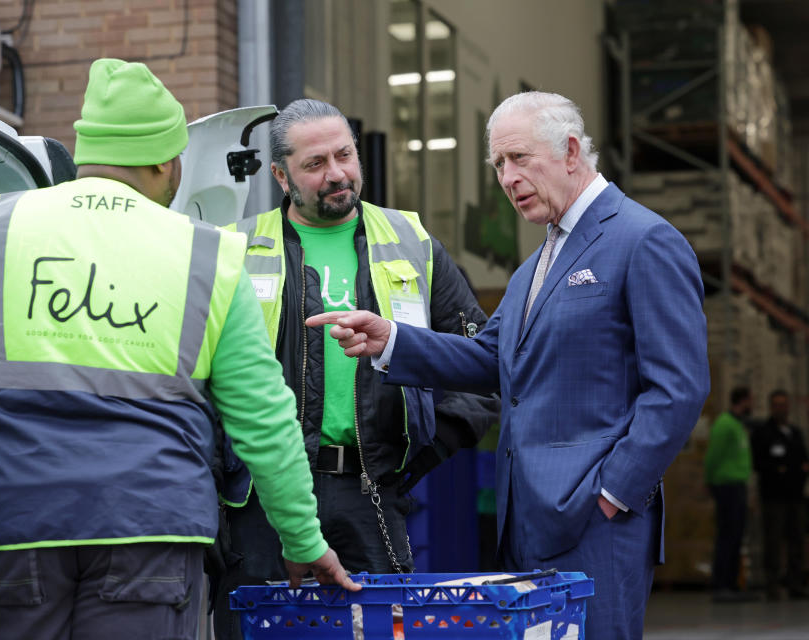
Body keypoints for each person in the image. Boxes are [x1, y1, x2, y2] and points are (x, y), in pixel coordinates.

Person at [0, 59, 357, 640]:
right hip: (153, 539)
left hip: (19, 533)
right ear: (163, 161)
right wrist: (302, 540)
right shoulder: (208, 257)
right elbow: (265, 421)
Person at [308, 91, 709, 640]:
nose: (507, 176)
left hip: (595, 521)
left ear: (571, 152)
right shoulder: (535, 265)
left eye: (519, 158)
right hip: (525, 521)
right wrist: (391, 340)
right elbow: (489, 358)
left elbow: (679, 390)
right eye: (498, 164)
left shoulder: (644, 241)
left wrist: (613, 495)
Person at [212, 98, 495, 639]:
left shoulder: (412, 243)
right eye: (315, 163)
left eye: (344, 155)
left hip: (371, 492)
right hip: (261, 500)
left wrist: (418, 453)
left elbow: (479, 366)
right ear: (280, 174)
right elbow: (201, 382)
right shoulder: (236, 249)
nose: (336, 173)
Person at [750, 389, 809, 601]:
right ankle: (772, 585)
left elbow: (802, 459)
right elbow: (759, 463)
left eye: (784, 404)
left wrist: (796, 471)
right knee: (773, 541)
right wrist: (780, 470)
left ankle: (795, 582)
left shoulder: (795, 432)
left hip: (795, 495)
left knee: (797, 540)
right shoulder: (763, 433)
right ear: (771, 407)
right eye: (777, 404)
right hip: (773, 496)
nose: (781, 408)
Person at [704, 386, 756, 602]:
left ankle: (733, 584)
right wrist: (710, 481)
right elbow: (713, 455)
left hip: (738, 485)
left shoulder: (738, 425)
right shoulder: (725, 424)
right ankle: (720, 584)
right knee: (727, 536)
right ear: (743, 400)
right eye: (751, 400)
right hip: (726, 485)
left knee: (736, 536)